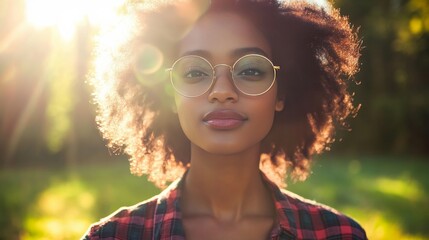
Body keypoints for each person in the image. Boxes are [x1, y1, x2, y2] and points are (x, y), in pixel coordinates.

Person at [83, 0, 366, 239]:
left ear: (282, 93)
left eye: (251, 71)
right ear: (170, 96)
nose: (222, 92)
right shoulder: (112, 235)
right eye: (195, 73)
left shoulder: (337, 233)